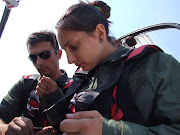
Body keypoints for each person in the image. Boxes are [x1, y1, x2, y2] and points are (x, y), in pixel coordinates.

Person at [38, 1, 180, 135]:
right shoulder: (82, 78)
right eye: (66, 50)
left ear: (100, 33)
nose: (69, 60)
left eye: (74, 47)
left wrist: (109, 131)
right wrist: (52, 97)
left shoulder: (156, 66)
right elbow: (64, 125)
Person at [0, 30, 72, 135]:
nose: (39, 62)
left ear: (59, 54)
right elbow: (2, 117)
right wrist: (7, 129)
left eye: (45, 55)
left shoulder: (75, 87)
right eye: (33, 58)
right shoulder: (26, 83)